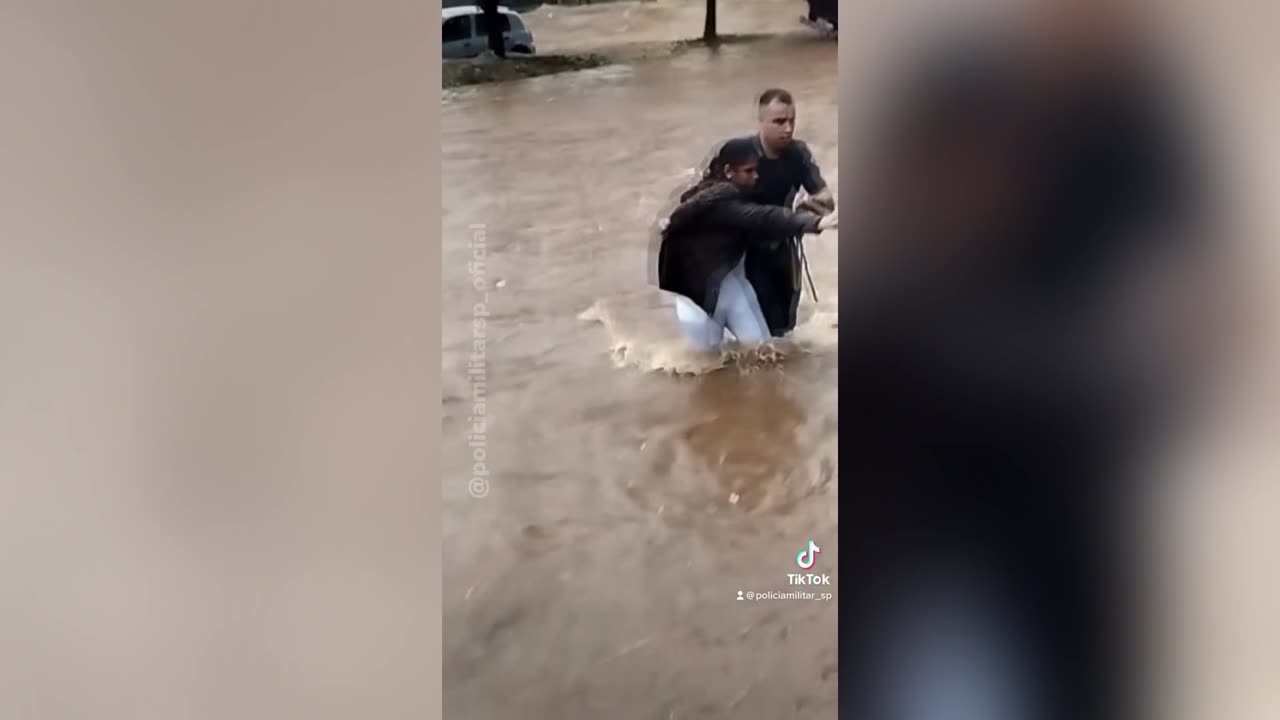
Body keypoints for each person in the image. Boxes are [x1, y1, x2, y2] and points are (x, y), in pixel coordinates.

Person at [656, 138, 838, 352]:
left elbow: (770, 215)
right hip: (700, 300)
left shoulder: (729, 194)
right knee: (705, 370)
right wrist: (817, 223)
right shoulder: (720, 204)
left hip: (735, 287)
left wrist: (802, 209)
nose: (756, 176)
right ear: (729, 172)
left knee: (766, 354)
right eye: (749, 171)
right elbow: (765, 217)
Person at [734, 89, 836, 338]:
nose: (788, 128)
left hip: (785, 250)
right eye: (779, 122)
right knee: (757, 336)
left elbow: (827, 201)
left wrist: (808, 202)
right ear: (761, 121)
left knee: (785, 335)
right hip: (746, 254)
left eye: (792, 120)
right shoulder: (740, 155)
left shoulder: (797, 153)